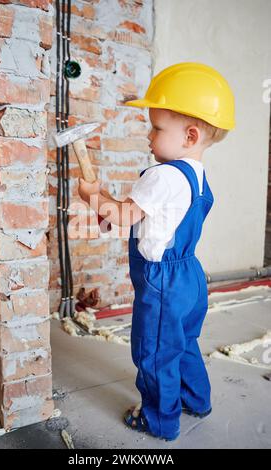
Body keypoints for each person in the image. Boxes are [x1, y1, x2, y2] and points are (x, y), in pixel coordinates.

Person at [78, 62, 235, 441]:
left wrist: (91, 197)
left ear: (190, 135)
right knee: (183, 343)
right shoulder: (196, 177)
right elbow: (143, 213)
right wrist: (102, 196)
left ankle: (159, 420)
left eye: (157, 127)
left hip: (163, 281)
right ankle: (196, 399)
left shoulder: (161, 175)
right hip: (191, 277)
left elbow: (122, 215)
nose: (149, 135)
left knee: (154, 353)